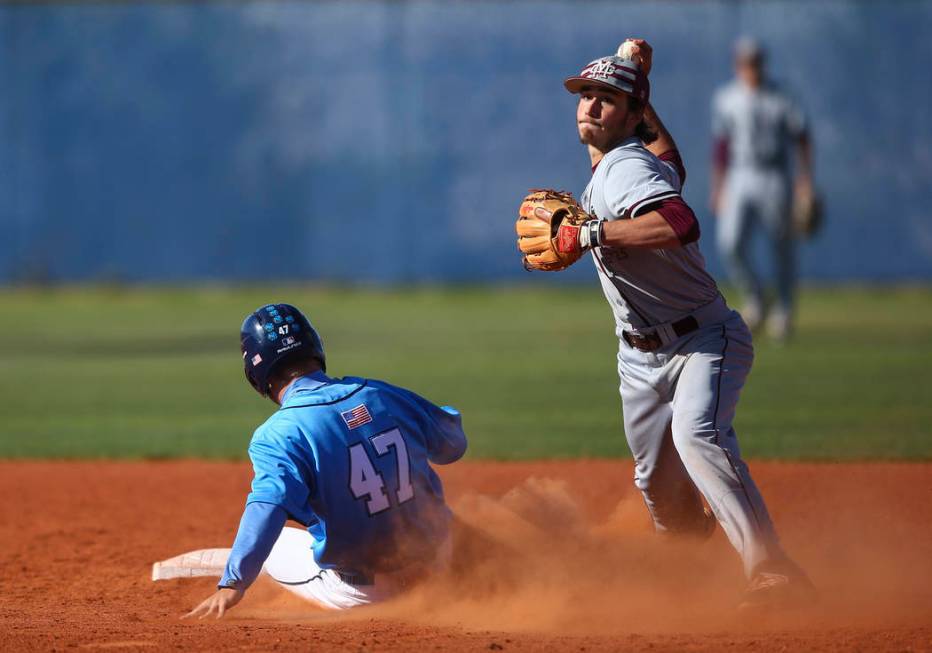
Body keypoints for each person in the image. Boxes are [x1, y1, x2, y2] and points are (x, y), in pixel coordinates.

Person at [524, 38, 813, 609]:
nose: (590, 105)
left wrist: (589, 234)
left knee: (698, 436)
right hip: (638, 360)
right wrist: (633, 77)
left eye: (606, 99)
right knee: (662, 495)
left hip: (702, 340)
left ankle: (774, 571)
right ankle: (682, 587)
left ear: (629, 115)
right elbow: (672, 165)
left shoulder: (624, 168)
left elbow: (680, 221)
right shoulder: (621, 163)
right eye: (585, 95)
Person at [183, 303, 467, 618]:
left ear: (254, 370)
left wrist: (233, 582)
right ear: (314, 345)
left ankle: (232, 574)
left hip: (367, 592)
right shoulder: (381, 392)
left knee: (277, 545)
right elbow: (453, 446)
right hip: (441, 565)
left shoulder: (278, 434)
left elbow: (268, 508)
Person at [711, 37, 814, 340]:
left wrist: (805, 181)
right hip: (739, 173)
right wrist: (718, 187)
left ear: (762, 63)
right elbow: (721, 146)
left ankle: (783, 310)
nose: (750, 67)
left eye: (755, 61)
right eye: (745, 62)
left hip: (774, 174)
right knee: (730, 242)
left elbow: (802, 137)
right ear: (737, 64)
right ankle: (755, 295)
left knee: (782, 246)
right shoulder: (726, 97)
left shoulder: (782, 97)